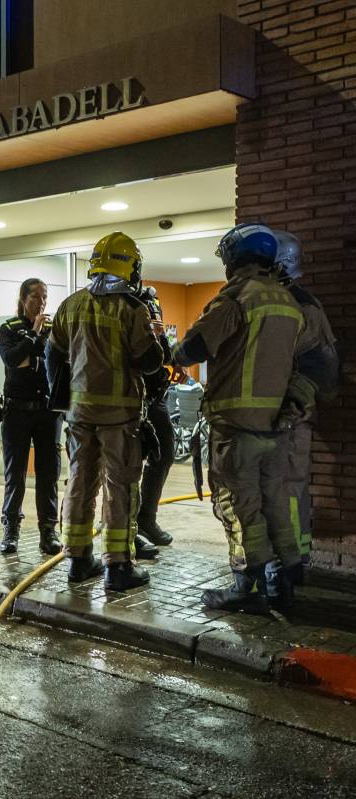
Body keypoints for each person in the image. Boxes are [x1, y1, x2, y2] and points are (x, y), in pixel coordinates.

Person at [172, 223, 323, 613]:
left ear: (236, 259)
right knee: (275, 502)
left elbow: (192, 349)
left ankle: (244, 586)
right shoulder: (290, 303)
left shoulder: (238, 299)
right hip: (276, 426)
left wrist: (171, 348)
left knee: (238, 506)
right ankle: (282, 585)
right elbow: (315, 364)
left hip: (235, 425)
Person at [48, 232, 165, 590]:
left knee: (80, 483)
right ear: (130, 267)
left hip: (80, 415)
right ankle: (118, 567)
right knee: (121, 487)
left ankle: (78, 561)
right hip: (120, 417)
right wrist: (159, 339)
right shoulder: (133, 309)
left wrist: (62, 400)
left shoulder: (71, 304)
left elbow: (53, 354)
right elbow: (150, 362)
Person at [264, 230, 340, 606]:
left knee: (288, 493)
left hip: (288, 420)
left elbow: (321, 370)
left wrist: (292, 406)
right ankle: (278, 567)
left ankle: (285, 570)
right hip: (266, 418)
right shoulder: (281, 301)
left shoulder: (300, 306)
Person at [0, 279, 61, 556]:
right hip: (17, 410)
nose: (42, 303)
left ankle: (48, 531)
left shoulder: (54, 330)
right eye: (36, 297)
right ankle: (11, 530)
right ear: (23, 298)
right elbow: (13, 360)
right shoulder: (9, 328)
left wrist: (34, 354)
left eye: (45, 298)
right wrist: (33, 337)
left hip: (48, 411)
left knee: (49, 474)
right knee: (16, 474)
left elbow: (57, 363)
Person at [135, 285, 178, 551]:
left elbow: (166, 355)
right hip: (133, 395)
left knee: (164, 453)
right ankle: (127, 525)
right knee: (126, 465)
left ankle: (146, 519)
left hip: (156, 395)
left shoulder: (151, 301)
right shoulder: (126, 306)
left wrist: (160, 337)